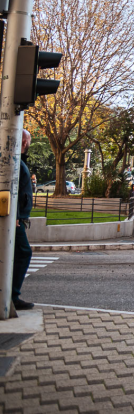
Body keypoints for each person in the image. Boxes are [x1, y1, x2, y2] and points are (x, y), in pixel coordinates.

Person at [11, 129, 34, 313]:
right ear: (24, 142)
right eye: (29, 141)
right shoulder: (14, 161)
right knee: (23, 252)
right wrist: (17, 216)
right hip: (15, 218)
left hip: (16, 217)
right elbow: (13, 189)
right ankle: (12, 295)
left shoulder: (17, 160)